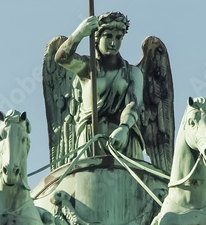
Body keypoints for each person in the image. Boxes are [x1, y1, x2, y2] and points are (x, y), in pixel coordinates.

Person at [55, 12, 144, 158]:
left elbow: (134, 104)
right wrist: (79, 33)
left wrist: (124, 128)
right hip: (91, 138)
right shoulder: (87, 67)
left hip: (124, 139)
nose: (114, 43)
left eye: (118, 37)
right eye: (108, 36)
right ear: (97, 37)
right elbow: (62, 58)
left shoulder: (132, 73)